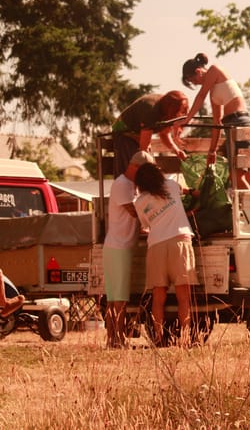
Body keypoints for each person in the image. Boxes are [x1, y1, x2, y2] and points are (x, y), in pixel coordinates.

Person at [133, 162, 198, 346]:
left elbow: (146, 226)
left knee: (158, 296)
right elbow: (185, 190)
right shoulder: (170, 185)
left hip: (156, 245)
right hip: (180, 239)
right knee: (183, 297)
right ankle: (185, 339)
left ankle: (159, 338)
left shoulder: (139, 202)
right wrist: (194, 192)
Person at [180, 53, 250, 189]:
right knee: (247, 176)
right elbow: (217, 123)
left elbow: (200, 96)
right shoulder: (213, 94)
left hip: (240, 122)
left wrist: (187, 119)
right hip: (232, 126)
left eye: (194, 81)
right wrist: (212, 151)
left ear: (198, 71)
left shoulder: (214, 70)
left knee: (237, 175)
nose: (196, 84)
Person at [102, 150, 156, 349]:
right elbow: (134, 212)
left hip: (120, 246)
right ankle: (116, 339)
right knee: (119, 298)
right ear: (135, 167)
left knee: (116, 296)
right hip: (118, 246)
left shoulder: (130, 185)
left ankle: (113, 338)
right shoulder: (123, 184)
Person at [112, 90, 190, 176]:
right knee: (132, 169)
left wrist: (177, 151)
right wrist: (153, 167)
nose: (180, 115)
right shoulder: (151, 110)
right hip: (124, 133)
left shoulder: (167, 112)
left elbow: (164, 134)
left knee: (144, 167)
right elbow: (144, 148)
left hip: (138, 135)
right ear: (171, 108)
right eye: (180, 111)